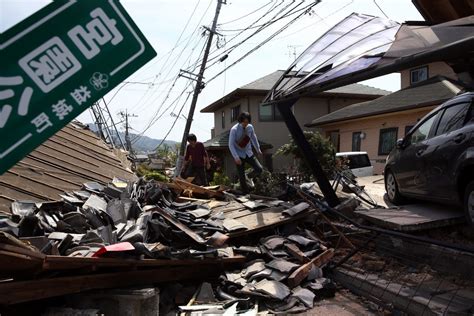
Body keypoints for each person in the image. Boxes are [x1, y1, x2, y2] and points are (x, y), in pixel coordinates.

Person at [228, 112, 263, 193]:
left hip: (248, 152)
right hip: (238, 154)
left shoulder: (250, 127)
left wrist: (258, 149)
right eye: (244, 122)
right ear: (240, 121)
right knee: (241, 176)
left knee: (259, 169)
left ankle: (249, 175)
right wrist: (236, 157)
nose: (245, 124)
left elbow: (254, 138)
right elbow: (230, 144)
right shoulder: (234, 130)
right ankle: (245, 193)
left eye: (247, 122)